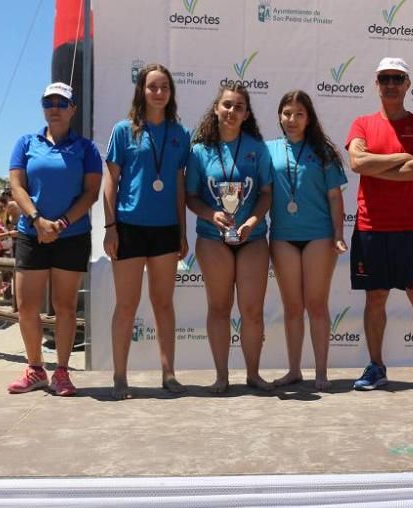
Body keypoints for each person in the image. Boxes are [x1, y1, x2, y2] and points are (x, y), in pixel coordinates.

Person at [345, 57, 413, 394]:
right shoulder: (361, 123)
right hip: (371, 228)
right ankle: (376, 367)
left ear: (407, 84)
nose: (391, 84)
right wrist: (401, 157)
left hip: (412, 228)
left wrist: (378, 166)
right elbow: (358, 162)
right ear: (377, 83)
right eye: (385, 78)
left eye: (397, 78)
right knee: (375, 299)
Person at [7, 81, 102, 395]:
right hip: (30, 234)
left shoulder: (86, 148)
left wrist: (59, 224)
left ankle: (62, 371)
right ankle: (35, 369)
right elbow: (17, 187)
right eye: (49, 103)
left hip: (71, 235)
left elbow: (91, 194)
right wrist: (37, 220)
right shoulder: (25, 142)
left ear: (73, 109)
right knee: (27, 307)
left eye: (62, 104)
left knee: (65, 306)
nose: (55, 109)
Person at [103, 63, 191, 400]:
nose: (158, 93)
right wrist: (110, 227)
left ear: (171, 93)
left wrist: (183, 232)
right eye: (152, 87)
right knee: (127, 305)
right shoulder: (124, 131)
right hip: (128, 227)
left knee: (164, 304)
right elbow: (111, 180)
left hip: (166, 229)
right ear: (141, 91)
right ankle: (120, 377)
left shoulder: (180, 134)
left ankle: (169, 374)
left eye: (164, 87)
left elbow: (180, 186)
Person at [185, 84, 274, 393]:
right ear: (216, 109)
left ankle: (253, 374)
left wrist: (252, 220)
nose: (232, 112)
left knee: (252, 310)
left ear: (246, 114)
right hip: (212, 237)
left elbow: (266, 193)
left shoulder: (256, 148)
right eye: (227, 105)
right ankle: (221, 376)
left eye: (238, 107)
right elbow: (191, 197)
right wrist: (212, 215)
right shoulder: (199, 150)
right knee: (219, 308)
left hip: (253, 237)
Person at [266, 91, 348, 390]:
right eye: (286, 113)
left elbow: (335, 197)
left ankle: (322, 373)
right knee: (291, 306)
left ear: (308, 117)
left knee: (316, 304)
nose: (292, 119)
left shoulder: (323, 151)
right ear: (279, 116)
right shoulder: (268, 150)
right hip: (283, 237)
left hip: (319, 236)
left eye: (299, 114)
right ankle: (293, 370)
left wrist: (338, 235)